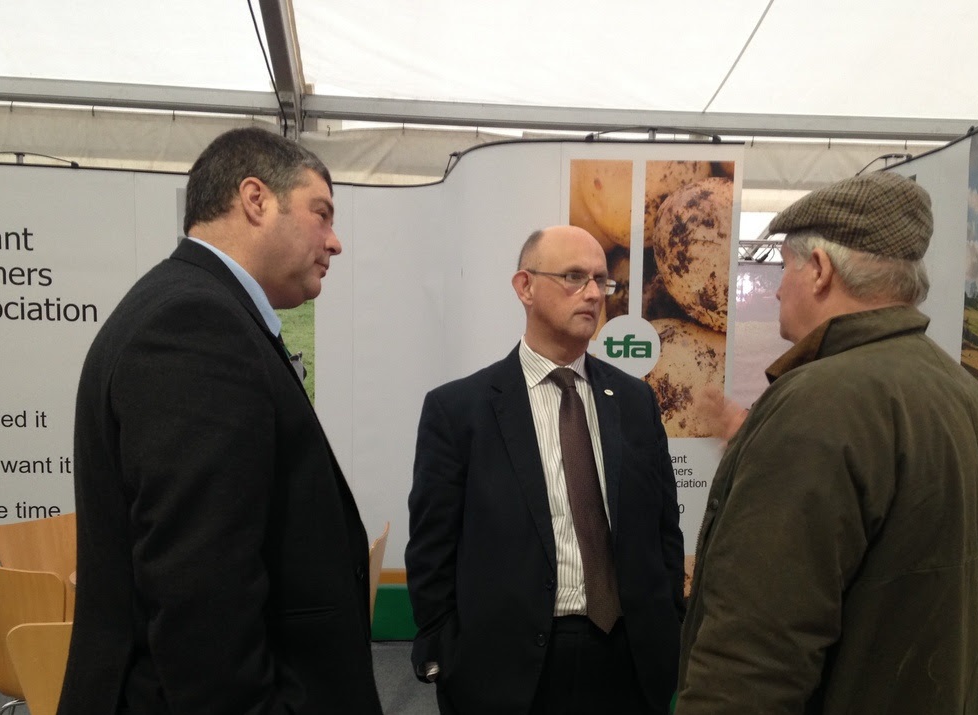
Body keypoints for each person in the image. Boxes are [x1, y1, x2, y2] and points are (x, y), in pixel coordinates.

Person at [58, 127, 383, 715]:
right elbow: (200, 593)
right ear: (255, 200)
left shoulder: (194, 308)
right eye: (322, 213)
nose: (336, 242)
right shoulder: (193, 324)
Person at [676, 171, 978, 714]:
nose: (777, 287)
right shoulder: (971, 399)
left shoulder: (818, 405)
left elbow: (754, 658)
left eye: (785, 267)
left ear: (818, 270)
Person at [406, 225, 685, 715]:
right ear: (525, 287)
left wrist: (670, 628)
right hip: (507, 670)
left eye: (602, 280)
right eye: (574, 277)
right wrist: (445, 655)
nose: (595, 293)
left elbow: (664, 529)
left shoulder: (636, 401)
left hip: (629, 661)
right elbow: (433, 548)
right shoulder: (460, 411)